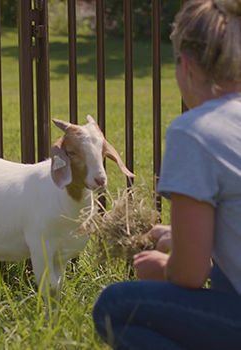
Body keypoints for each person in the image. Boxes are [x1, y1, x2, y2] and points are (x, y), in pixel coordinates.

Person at [92, 0, 241, 349]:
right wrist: (183, 238)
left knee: (114, 307)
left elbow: (189, 275)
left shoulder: (196, 131)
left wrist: (164, 266)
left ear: (185, 65)